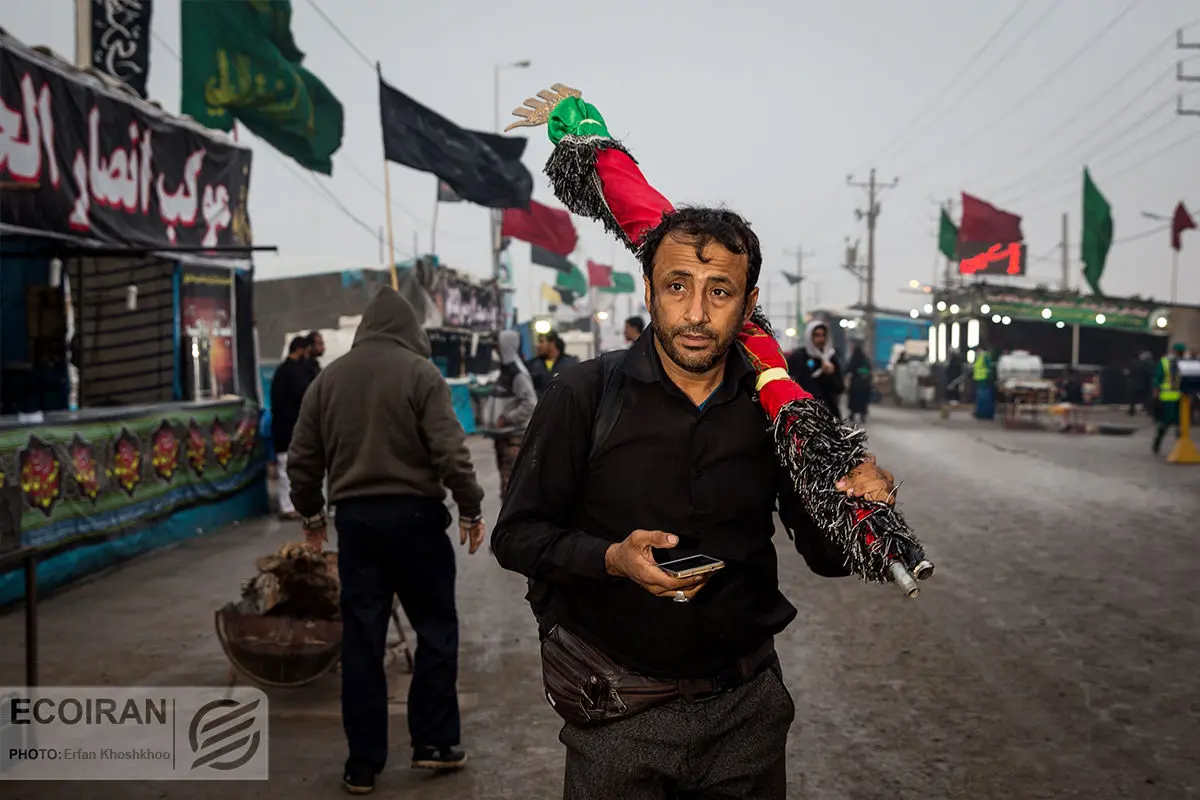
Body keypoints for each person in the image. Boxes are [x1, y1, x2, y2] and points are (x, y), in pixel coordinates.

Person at [494, 87, 903, 799]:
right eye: (678, 285)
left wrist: (858, 505)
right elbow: (518, 537)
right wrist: (613, 559)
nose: (696, 311)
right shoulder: (583, 396)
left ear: (748, 306)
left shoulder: (777, 412)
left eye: (720, 291)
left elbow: (822, 555)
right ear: (648, 291)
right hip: (616, 713)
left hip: (743, 718)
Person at [286, 286, 486, 794]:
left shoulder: (328, 380)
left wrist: (312, 515)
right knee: (436, 629)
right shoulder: (421, 373)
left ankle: (363, 764)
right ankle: (435, 745)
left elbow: (303, 458)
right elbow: (450, 450)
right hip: (417, 520)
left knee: (362, 641)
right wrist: (469, 505)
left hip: (356, 524)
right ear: (411, 329)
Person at [269, 336, 314, 520]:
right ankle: (287, 506)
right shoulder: (294, 373)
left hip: (284, 427)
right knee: (287, 468)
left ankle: (289, 505)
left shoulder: (282, 371)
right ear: (301, 350)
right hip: (289, 428)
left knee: (287, 468)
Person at [491, 329, 538, 495]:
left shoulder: (518, 374)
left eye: (497, 344)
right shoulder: (505, 371)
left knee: (512, 488)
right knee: (507, 487)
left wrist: (507, 418)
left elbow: (530, 403)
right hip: (503, 436)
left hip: (514, 438)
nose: (495, 348)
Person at [786, 320, 843, 420]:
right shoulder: (799, 357)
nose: (821, 339)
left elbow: (839, 388)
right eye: (817, 335)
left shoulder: (830, 358)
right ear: (809, 337)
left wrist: (830, 374)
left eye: (823, 335)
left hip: (827, 411)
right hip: (804, 411)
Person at [1152, 342, 1187, 455]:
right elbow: (1158, 378)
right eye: (1179, 352)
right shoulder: (1165, 362)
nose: (1181, 354)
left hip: (1181, 398)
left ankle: (1180, 447)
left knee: (1180, 423)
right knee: (1165, 422)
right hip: (1167, 397)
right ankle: (1157, 442)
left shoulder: (1185, 363)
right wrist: (1156, 391)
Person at [527, 330, 580, 396]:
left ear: (552, 343)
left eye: (541, 342)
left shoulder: (570, 363)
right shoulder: (533, 365)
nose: (538, 345)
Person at [845, 341, 872, 424]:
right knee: (863, 400)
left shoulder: (853, 360)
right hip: (864, 384)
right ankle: (862, 415)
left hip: (855, 384)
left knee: (853, 400)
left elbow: (847, 369)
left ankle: (852, 414)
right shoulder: (865, 360)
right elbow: (870, 370)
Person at [973, 347, 996, 420]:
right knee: (981, 397)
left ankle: (983, 413)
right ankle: (981, 412)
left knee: (983, 397)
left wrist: (989, 378)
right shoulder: (980, 356)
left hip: (984, 380)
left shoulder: (984, 356)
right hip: (980, 380)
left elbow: (988, 368)